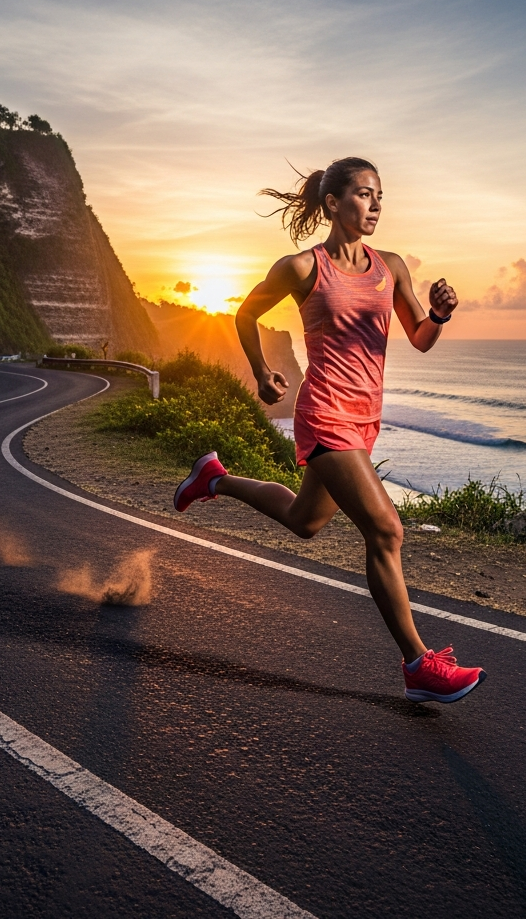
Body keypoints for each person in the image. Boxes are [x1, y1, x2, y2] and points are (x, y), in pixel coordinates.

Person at [173, 157, 486, 703]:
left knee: (305, 519)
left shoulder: (390, 267)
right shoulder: (302, 268)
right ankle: (418, 664)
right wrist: (261, 369)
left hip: (365, 419)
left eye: (380, 196)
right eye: (364, 195)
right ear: (334, 204)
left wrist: (438, 315)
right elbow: (245, 314)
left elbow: (419, 337)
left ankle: (214, 479)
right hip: (324, 414)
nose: (375, 206)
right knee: (386, 531)